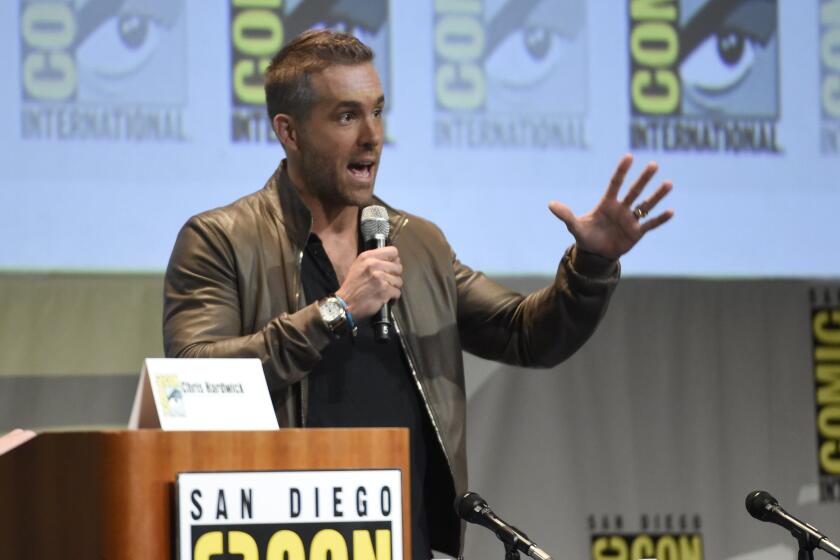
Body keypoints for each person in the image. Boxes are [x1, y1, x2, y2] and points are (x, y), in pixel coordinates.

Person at [163, 30, 673, 560]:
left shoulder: (416, 242)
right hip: (281, 538)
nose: (372, 136)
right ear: (289, 133)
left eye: (377, 112)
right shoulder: (221, 239)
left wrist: (591, 264)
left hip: (403, 541)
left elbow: (523, 334)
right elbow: (194, 378)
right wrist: (335, 311)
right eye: (346, 116)